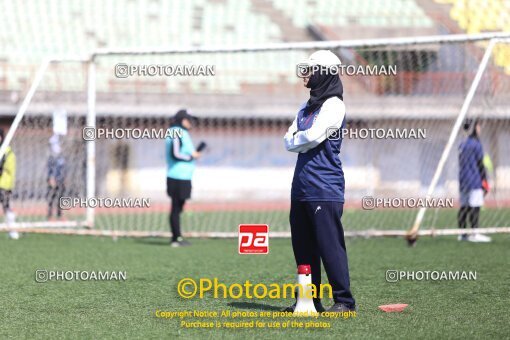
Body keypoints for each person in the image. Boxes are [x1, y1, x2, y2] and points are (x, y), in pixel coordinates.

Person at [283, 50, 356, 313]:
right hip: (300, 187)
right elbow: (288, 140)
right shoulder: (306, 107)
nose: (306, 74)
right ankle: (308, 301)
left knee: (329, 247)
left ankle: (345, 302)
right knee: (303, 248)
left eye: (311, 69)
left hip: (325, 187)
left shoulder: (335, 105)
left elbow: (312, 137)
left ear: (324, 72)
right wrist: (297, 139)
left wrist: (297, 139)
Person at [165, 109, 203, 247]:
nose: (191, 123)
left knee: (179, 207)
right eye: (189, 119)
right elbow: (175, 153)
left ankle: (177, 236)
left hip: (184, 176)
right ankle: (176, 238)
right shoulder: (175, 131)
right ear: (182, 120)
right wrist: (191, 157)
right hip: (176, 176)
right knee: (175, 207)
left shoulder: (183, 133)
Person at [457, 119, 491, 243]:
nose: (480, 129)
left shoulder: (462, 144)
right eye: (478, 126)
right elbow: (480, 164)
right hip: (474, 180)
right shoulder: (476, 144)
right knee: (475, 207)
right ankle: (475, 233)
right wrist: (485, 181)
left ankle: (462, 234)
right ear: (474, 128)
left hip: (463, 181)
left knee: (464, 207)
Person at [0, 128, 17, 239]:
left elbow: (8, 168)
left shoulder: (7, 151)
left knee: (6, 207)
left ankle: (13, 231)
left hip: (3, 185)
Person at [47, 134, 66, 220]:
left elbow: (63, 168)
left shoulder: (61, 157)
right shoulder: (51, 157)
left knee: (61, 198)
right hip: (53, 180)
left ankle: (60, 214)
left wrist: (65, 178)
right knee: (52, 197)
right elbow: (50, 169)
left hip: (60, 179)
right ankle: (50, 215)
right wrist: (51, 178)